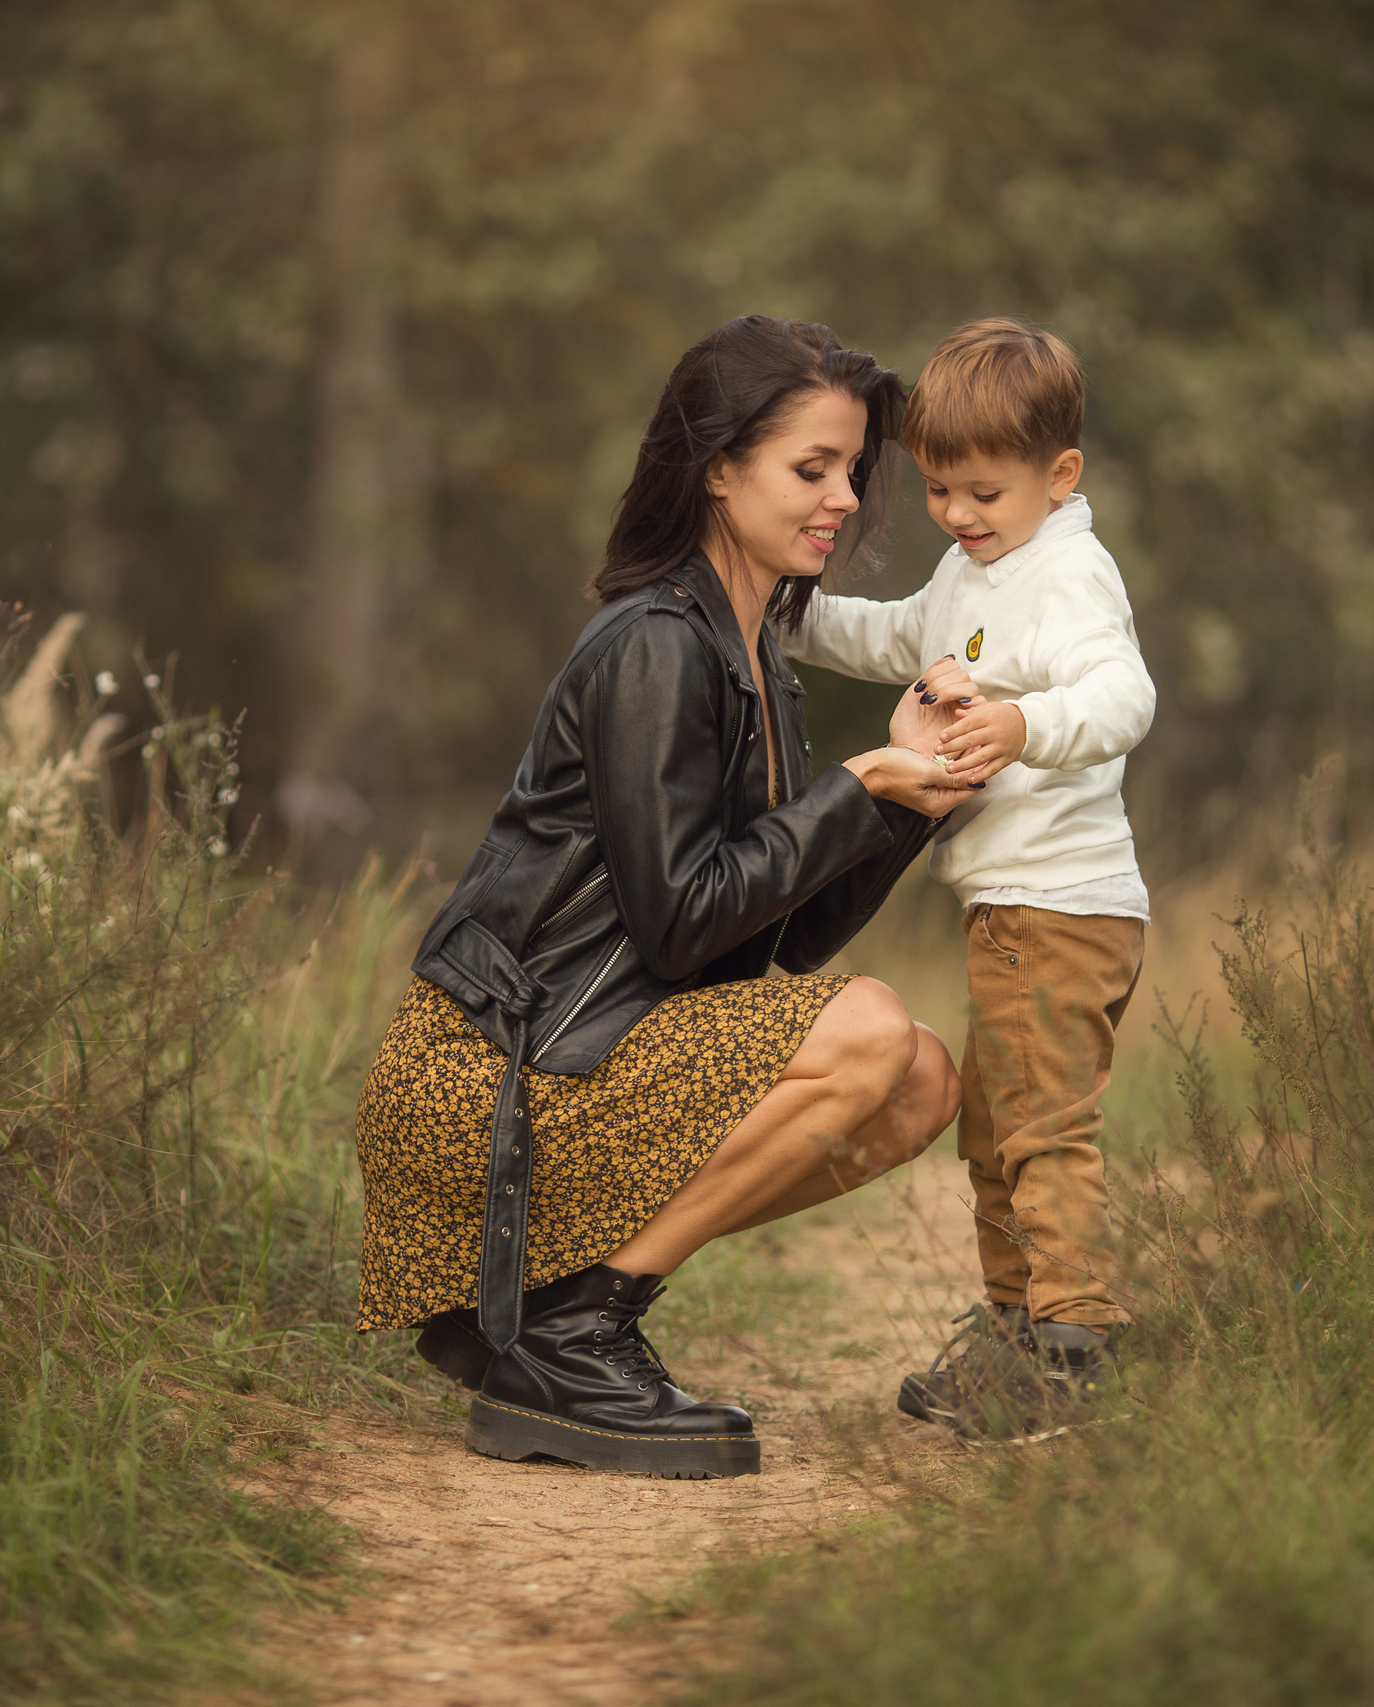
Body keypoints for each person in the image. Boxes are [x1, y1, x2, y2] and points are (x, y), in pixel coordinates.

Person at [352, 315, 971, 1480]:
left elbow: (790, 940)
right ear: (717, 468)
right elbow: (682, 921)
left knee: (920, 1078)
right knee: (873, 1030)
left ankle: (562, 1313)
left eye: (851, 469)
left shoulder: (750, 659)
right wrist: (853, 786)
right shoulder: (653, 645)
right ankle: (572, 1336)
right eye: (810, 468)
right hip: (492, 1076)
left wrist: (904, 801)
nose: (843, 498)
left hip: (588, 1061)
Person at [785, 317, 1156, 1438]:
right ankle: (1016, 1338)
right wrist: (776, 601)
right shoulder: (970, 571)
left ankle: (1073, 1346)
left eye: (984, 492)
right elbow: (894, 636)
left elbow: (1124, 696)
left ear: (1060, 475)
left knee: (1040, 1129)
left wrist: (1023, 725)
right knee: (993, 1132)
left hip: (1065, 904)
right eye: (939, 489)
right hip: (1011, 907)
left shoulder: (1069, 574)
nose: (957, 514)